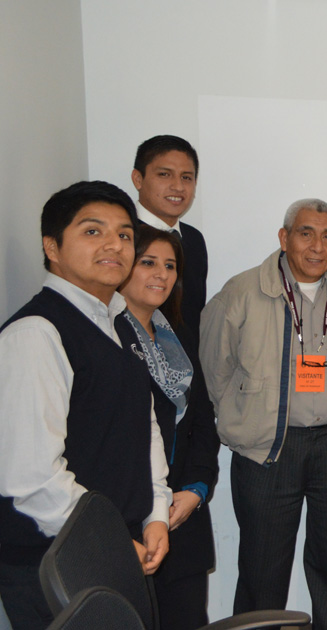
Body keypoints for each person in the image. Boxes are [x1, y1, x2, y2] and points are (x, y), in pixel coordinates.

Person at [0, 181, 171, 630]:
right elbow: (30, 476)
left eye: (124, 234)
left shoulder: (118, 324)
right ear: (52, 246)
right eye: (93, 231)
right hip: (58, 560)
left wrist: (156, 513)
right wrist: (107, 542)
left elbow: (143, 426)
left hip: (117, 547)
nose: (114, 244)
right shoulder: (36, 333)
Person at [200, 198, 327, 630]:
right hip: (268, 449)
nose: (317, 246)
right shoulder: (242, 291)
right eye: (306, 233)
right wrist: (248, 417)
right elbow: (214, 371)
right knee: (263, 568)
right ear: (284, 238)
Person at [119, 225, 220, 629]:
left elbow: (203, 419)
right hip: (132, 515)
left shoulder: (177, 335)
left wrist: (197, 488)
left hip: (184, 510)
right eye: (148, 262)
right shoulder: (107, 336)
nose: (161, 274)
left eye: (170, 265)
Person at [131, 135, 207, 342]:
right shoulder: (124, 235)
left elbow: (193, 316)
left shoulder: (194, 239)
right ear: (138, 179)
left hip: (187, 358)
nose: (178, 186)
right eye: (164, 174)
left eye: (186, 177)